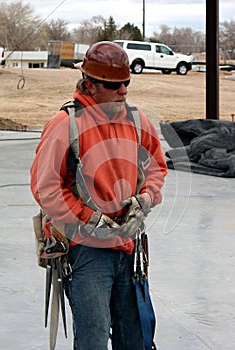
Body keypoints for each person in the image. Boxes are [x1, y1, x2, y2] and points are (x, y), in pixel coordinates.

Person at [30, 41, 168, 350]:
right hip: (86, 253)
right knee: (92, 341)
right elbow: (46, 187)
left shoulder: (137, 121)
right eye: (114, 84)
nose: (123, 91)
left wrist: (145, 199)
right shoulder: (65, 125)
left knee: (134, 339)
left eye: (126, 83)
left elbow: (157, 168)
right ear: (90, 84)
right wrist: (89, 217)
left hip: (127, 249)